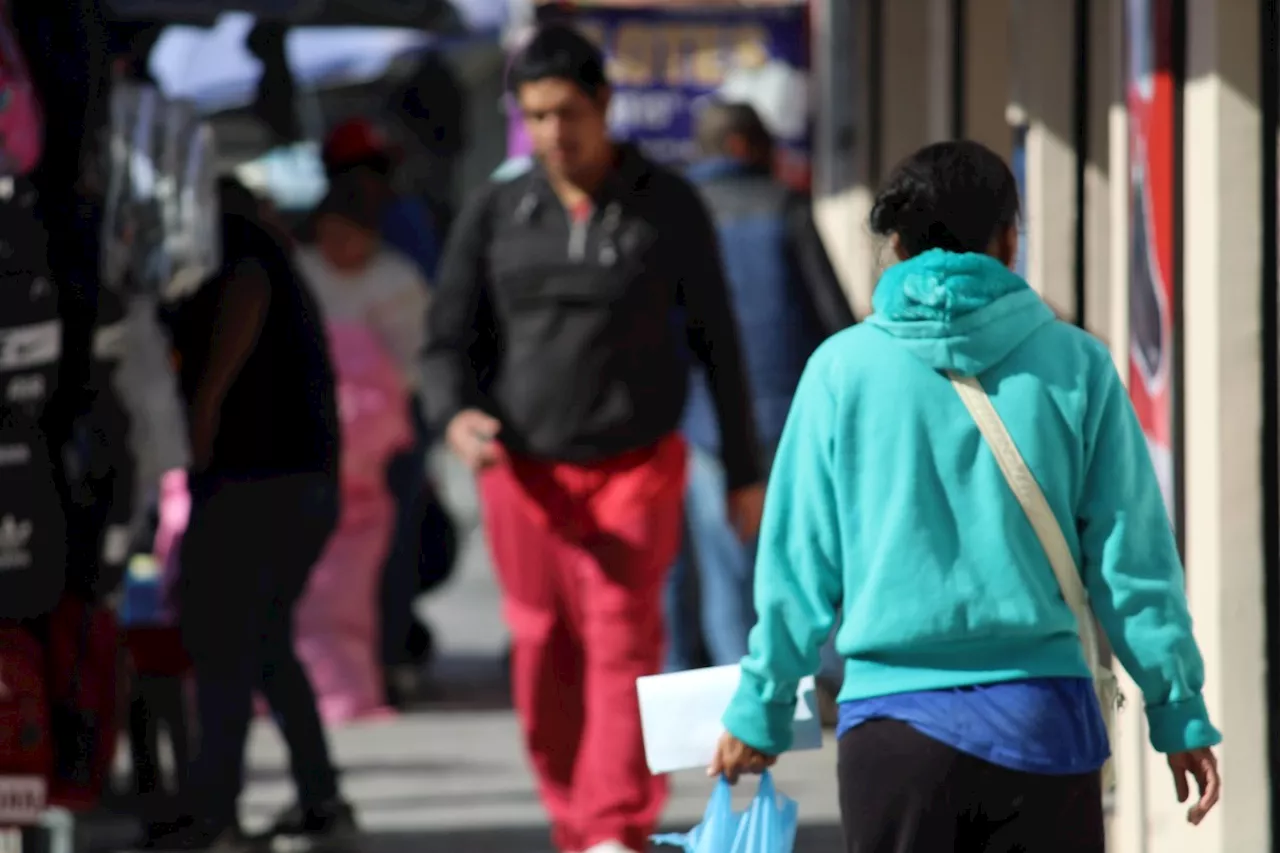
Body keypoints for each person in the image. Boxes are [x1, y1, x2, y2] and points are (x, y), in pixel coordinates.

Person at [711, 140, 1222, 851]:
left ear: (895, 242)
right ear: (1010, 239)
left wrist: (761, 708)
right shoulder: (1077, 364)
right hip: (1045, 726)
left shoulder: (840, 370)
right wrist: (1179, 710)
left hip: (891, 734)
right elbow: (1130, 561)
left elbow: (797, 565)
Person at [422, 25, 766, 853]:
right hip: (524, 475)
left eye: (568, 113)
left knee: (622, 641)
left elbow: (719, 339)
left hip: (636, 464)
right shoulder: (499, 210)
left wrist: (744, 473)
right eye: (535, 116)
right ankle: (574, 823)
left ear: (604, 105)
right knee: (542, 652)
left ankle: (613, 827)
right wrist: (455, 415)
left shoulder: (667, 204)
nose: (553, 133)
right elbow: (444, 342)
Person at [151, 178, 355, 851]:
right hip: (295, 480)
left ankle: (214, 814)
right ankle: (319, 798)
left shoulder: (239, 250)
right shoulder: (263, 252)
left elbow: (245, 294)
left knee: (225, 640)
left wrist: (206, 405)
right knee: (263, 641)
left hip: (258, 478)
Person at [665, 100, 854, 677]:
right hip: (791, 415)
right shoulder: (787, 207)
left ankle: (737, 686)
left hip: (705, 422)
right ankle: (814, 679)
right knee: (804, 554)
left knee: (724, 564)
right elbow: (833, 318)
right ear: (748, 147)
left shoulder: (675, 215)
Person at [296, 177, 431, 711]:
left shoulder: (398, 280)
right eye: (331, 236)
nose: (341, 249)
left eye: (350, 237)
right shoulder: (301, 270)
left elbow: (414, 361)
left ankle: (386, 659)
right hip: (311, 437)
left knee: (388, 558)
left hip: (382, 443)